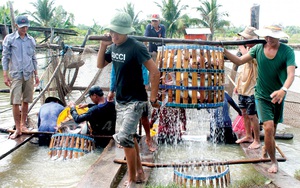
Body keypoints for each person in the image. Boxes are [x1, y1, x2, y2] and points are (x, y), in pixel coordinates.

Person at [97, 12, 160, 187]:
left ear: (126, 32)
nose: (114, 35)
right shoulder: (113, 46)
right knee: (129, 137)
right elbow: (100, 64)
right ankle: (139, 172)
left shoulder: (136, 47)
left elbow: (155, 72)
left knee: (124, 138)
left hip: (136, 100)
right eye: (112, 32)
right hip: (121, 100)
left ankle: (132, 180)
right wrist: (103, 45)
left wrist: (153, 97)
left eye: (118, 32)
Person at [223, 25, 297, 173]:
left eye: (272, 36)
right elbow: (238, 61)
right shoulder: (257, 49)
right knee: (268, 128)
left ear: (279, 36)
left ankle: (265, 149)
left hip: (278, 96)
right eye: (266, 36)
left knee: (273, 130)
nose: (268, 39)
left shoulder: (287, 51)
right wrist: (222, 50)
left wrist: (283, 90)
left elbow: (291, 75)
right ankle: (274, 162)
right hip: (262, 95)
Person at [1, 15, 40, 139]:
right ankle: (17, 129)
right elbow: (5, 57)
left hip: (29, 74)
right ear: (16, 26)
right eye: (22, 26)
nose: (24, 29)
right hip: (16, 75)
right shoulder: (10, 39)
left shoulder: (31, 40)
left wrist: (36, 74)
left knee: (26, 100)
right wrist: (5, 74)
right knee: (15, 102)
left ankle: (23, 125)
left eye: (26, 26)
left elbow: (34, 58)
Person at [109, 64, 156, 152]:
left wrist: (145, 84)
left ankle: (148, 139)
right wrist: (111, 90)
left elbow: (144, 68)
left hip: (138, 88)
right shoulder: (117, 53)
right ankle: (125, 137)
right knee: (124, 115)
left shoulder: (137, 51)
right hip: (123, 89)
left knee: (144, 116)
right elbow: (114, 72)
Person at [233, 26, 261, 149]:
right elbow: (242, 70)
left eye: (245, 38)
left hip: (252, 89)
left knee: (252, 115)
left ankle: (257, 140)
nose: (243, 40)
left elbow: (244, 60)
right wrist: (238, 85)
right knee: (243, 112)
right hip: (243, 88)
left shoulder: (257, 50)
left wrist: (240, 46)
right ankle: (248, 136)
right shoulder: (248, 49)